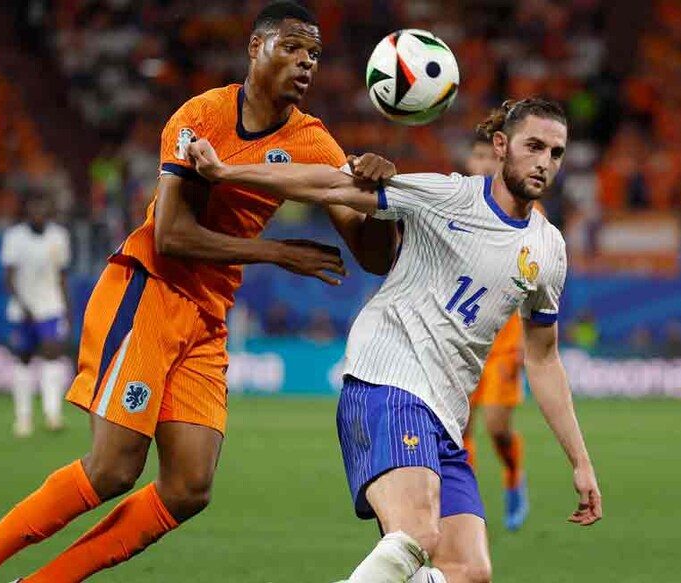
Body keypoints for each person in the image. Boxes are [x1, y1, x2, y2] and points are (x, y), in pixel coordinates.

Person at [0, 2, 396, 582]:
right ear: (256, 49)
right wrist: (276, 252)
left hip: (206, 315)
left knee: (189, 486)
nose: (306, 62)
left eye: (315, 54)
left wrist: (379, 198)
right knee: (113, 468)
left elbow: (375, 255)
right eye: (293, 47)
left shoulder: (315, 144)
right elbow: (172, 236)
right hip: (150, 288)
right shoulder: (199, 117)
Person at [188, 97, 602, 583]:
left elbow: (545, 358)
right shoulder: (448, 196)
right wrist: (227, 173)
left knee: (468, 571)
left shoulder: (548, 249)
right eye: (534, 146)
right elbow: (333, 186)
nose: (544, 162)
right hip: (389, 378)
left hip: (445, 413)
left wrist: (581, 462)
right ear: (501, 145)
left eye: (556, 153)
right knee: (417, 535)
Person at [460, 126, 530, 532]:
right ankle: (469, 505)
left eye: (491, 157)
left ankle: (513, 476)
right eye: (478, 157)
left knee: (498, 428)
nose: (484, 164)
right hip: (463, 341)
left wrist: (531, 341)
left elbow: (538, 280)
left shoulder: (527, 211)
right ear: (470, 163)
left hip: (504, 342)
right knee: (460, 427)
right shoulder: (456, 205)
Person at [0, 190, 72, 437]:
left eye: (42, 209)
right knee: (23, 359)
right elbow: (8, 278)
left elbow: (62, 276)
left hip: (50, 307)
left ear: (48, 212)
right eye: (33, 209)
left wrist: (67, 309)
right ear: (27, 212)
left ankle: (53, 414)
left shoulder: (59, 237)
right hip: (23, 310)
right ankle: (23, 418)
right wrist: (22, 304)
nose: (38, 214)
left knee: (52, 354)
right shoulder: (14, 237)